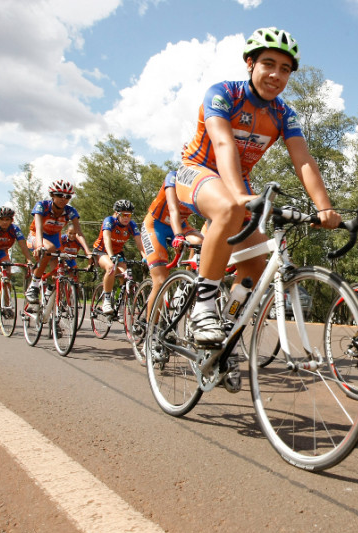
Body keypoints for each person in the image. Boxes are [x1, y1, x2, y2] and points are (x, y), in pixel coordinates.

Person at [173, 26, 341, 347]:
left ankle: (228, 322)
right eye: (268, 64)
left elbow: (303, 160)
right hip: (199, 170)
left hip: (238, 184)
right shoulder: (223, 94)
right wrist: (238, 195)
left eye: (285, 69)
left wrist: (325, 207)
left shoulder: (282, 114)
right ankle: (204, 309)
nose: (276, 75)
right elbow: (223, 144)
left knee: (254, 263)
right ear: (250, 63)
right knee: (229, 205)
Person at [142, 169, 203, 314]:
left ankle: (184, 284)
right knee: (161, 280)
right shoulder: (174, 177)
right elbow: (173, 209)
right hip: (156, 225)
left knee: (202, 242)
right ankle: (151, 331)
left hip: (181, 224)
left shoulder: (204, 183)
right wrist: (178, 236)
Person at [25, 180, 82, 303]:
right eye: (60, 195)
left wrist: (88, 252)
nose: (64, 199)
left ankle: (50, 292)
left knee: (60, 270)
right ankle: (33, 286)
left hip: (54, 238)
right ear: (52, 195)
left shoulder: (70, 211)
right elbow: (39, 227)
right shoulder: (42, 206)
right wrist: (40, 245)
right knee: (49, 249)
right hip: (36, 236)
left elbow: (79, 233)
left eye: (67, 196)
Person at [91, 199, 147, 315]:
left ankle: (119, 303)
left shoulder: (131, 225)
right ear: (116, 213)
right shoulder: (109, 221)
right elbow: (106, 239)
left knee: (126, 276)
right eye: (123, 215)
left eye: (129, 215)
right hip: (102, 251)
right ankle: (106, 300)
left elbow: (139, 242)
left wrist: (145, 256)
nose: (127, 218)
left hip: (117, 252)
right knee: (111, 268)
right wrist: (111, 256)